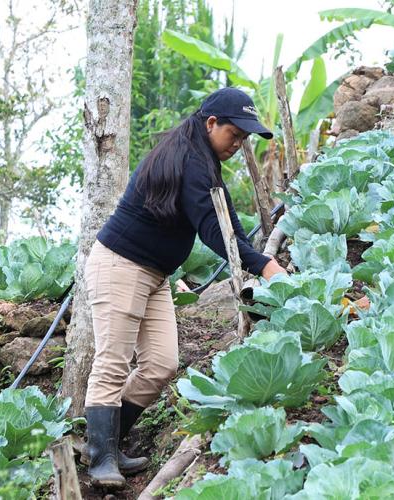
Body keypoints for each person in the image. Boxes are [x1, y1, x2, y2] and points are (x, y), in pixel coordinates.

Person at [82, 87, 286, 488]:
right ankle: (100, 459)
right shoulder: (191, 161)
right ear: (212, 123)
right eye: (235, 134)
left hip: (155, 275)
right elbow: (214, 231)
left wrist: (255, 255)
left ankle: (107, 444)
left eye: (244, 137)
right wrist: (264, 266)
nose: (238, 143)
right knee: (113, 362)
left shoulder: (202, 158)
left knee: (161, 364)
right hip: (121, 265)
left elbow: (226, 217)